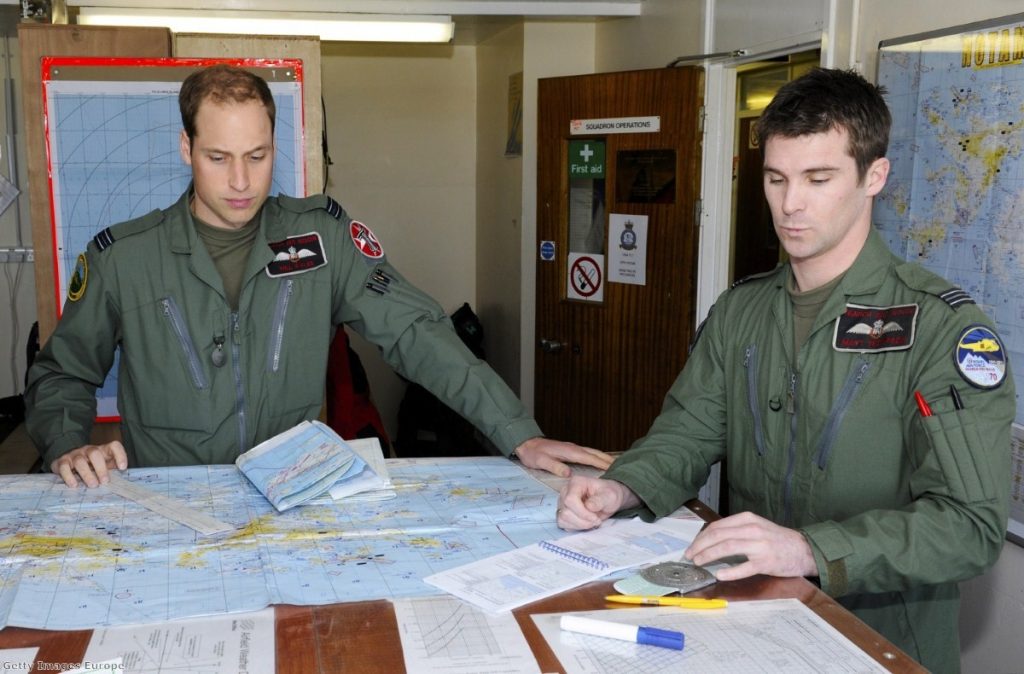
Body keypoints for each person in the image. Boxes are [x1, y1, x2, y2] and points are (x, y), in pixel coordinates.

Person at [555, 68, 1013, 673]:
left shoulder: (941, 329)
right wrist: (624, 485)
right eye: (776, 179)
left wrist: (807, 549)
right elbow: (688, 432)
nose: (789, 204)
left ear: (873, 176)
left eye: (818, 179)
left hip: (878, 641)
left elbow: (969, 525)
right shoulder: (741, 310)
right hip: (750, 624)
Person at [25, 64, 612, 489]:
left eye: (257, 157)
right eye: (218, 157)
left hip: (295, 495)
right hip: (172, 501)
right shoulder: (125, 257)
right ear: (186, 147)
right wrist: (68, 443)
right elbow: (62, 373)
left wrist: (516, 432)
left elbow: (417, 332)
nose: (240, 182)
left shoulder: (322, 238)